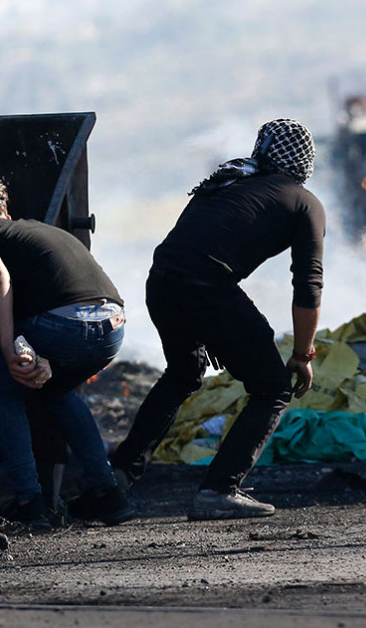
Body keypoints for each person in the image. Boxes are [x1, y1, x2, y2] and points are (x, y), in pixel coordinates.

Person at [109, 118, 324, 521]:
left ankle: (114, 481)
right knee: (273, 388)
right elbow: (309, 285)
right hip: (205, 286)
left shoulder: (227, 180)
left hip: (162, 282)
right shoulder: (303, 201)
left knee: (183, 375)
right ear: (305, 160)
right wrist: (302, 354)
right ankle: (219, 490)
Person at [0, 173, 133, 529]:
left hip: (65, 326)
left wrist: (8, 349)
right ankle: (108, 495)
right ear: (5, 212)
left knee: (3, 389)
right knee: (58, 392)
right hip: (113, 326)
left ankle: (30, 502)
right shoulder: (40, 230)